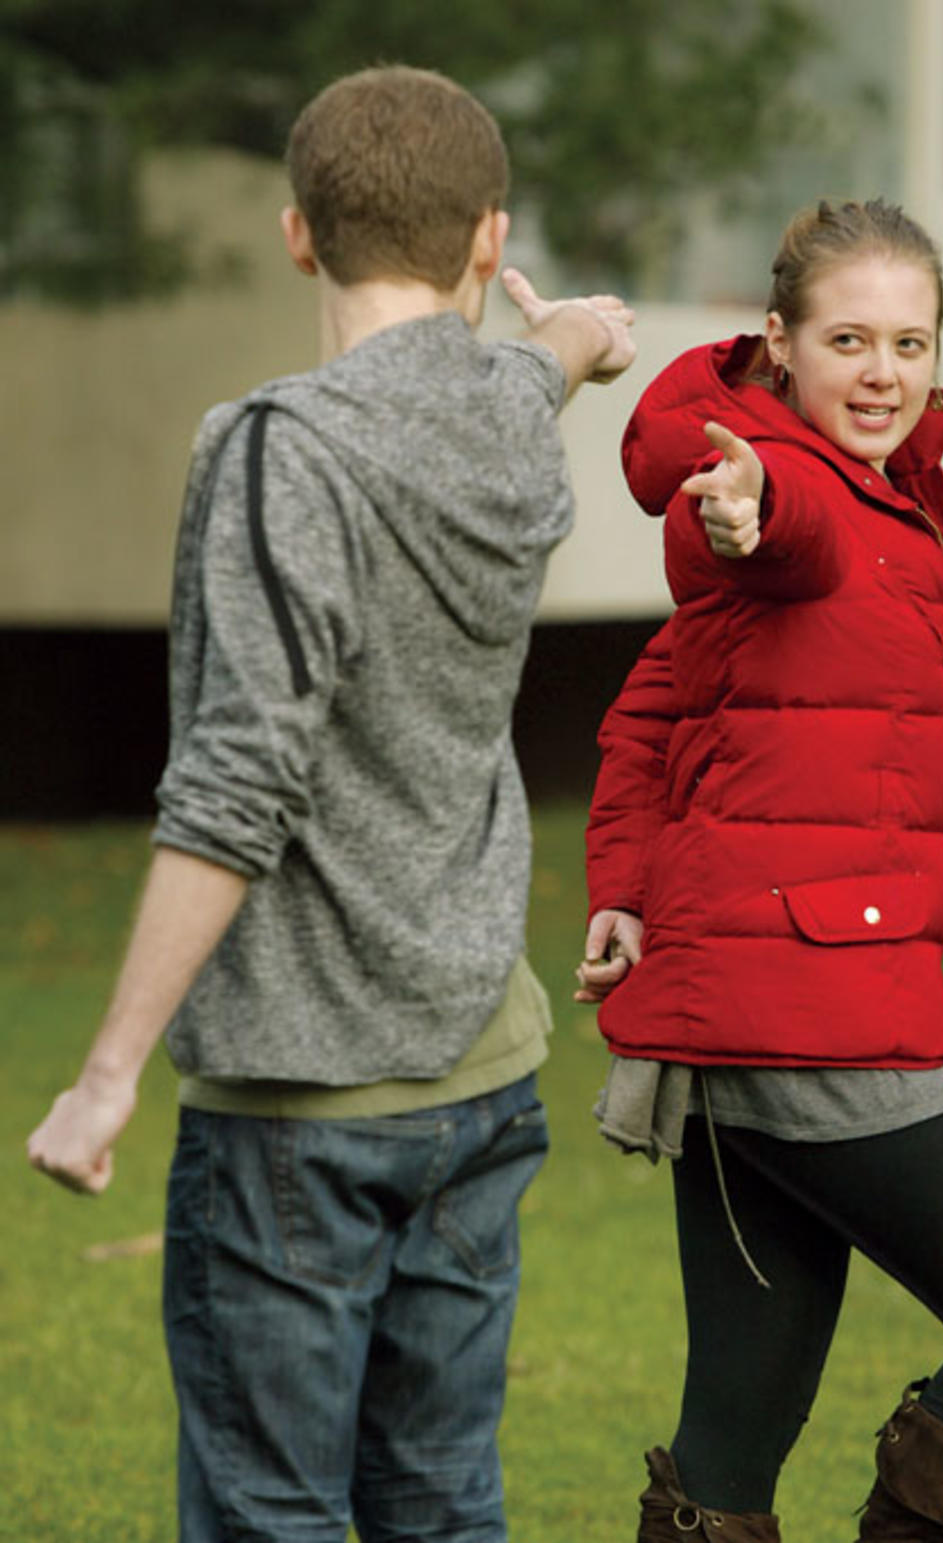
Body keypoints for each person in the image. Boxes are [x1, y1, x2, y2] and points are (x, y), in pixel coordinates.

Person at [26, 64, 634, 1543]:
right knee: (438, 1503)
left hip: (302, 1101)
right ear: (488, 238)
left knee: (270, 1515)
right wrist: (580, 335)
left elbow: (239, 780)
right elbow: (536, 357)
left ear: (299, 234)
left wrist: (110, 1071)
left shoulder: (276, 448)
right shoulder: (506, 412)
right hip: (480, 1075)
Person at [575, 199, 943, 1543]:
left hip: (750, 1002)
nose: (883, 370)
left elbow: (651, 712)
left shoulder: (898, 502)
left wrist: (622, 894)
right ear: (779, 346)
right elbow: (772, 523)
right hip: (809, 1010)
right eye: (849, 338)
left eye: (910, 341)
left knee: (736, 1429)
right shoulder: (765, 479)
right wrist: (749, 507)